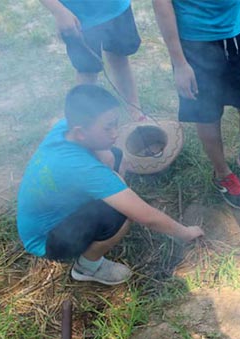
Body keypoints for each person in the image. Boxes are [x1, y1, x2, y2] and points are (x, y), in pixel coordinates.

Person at [17, 85, 204, 286]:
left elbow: (106, 156)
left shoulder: (65, 128)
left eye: (116, 123)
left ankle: (115, 196)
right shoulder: (83, 169)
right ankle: (87, 267)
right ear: (81, 132)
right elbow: (147, 218)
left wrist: (113, 176)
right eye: (108, 127)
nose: (115, 133)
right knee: (119, 214)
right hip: (47, 240)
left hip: (48, 217)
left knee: (114, 154)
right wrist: (185, 233)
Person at [153, 0, 240, 210]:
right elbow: (161, 4)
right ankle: (222, 174)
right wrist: (180, 64)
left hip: (237, 35)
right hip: (195, 43)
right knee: (207, 115)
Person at [39, 0, 144, 121]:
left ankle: (135, 110)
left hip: (115, 7)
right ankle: (84, 123)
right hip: (78, 17)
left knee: (120, 58)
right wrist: (59, 11)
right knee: (87, 70)